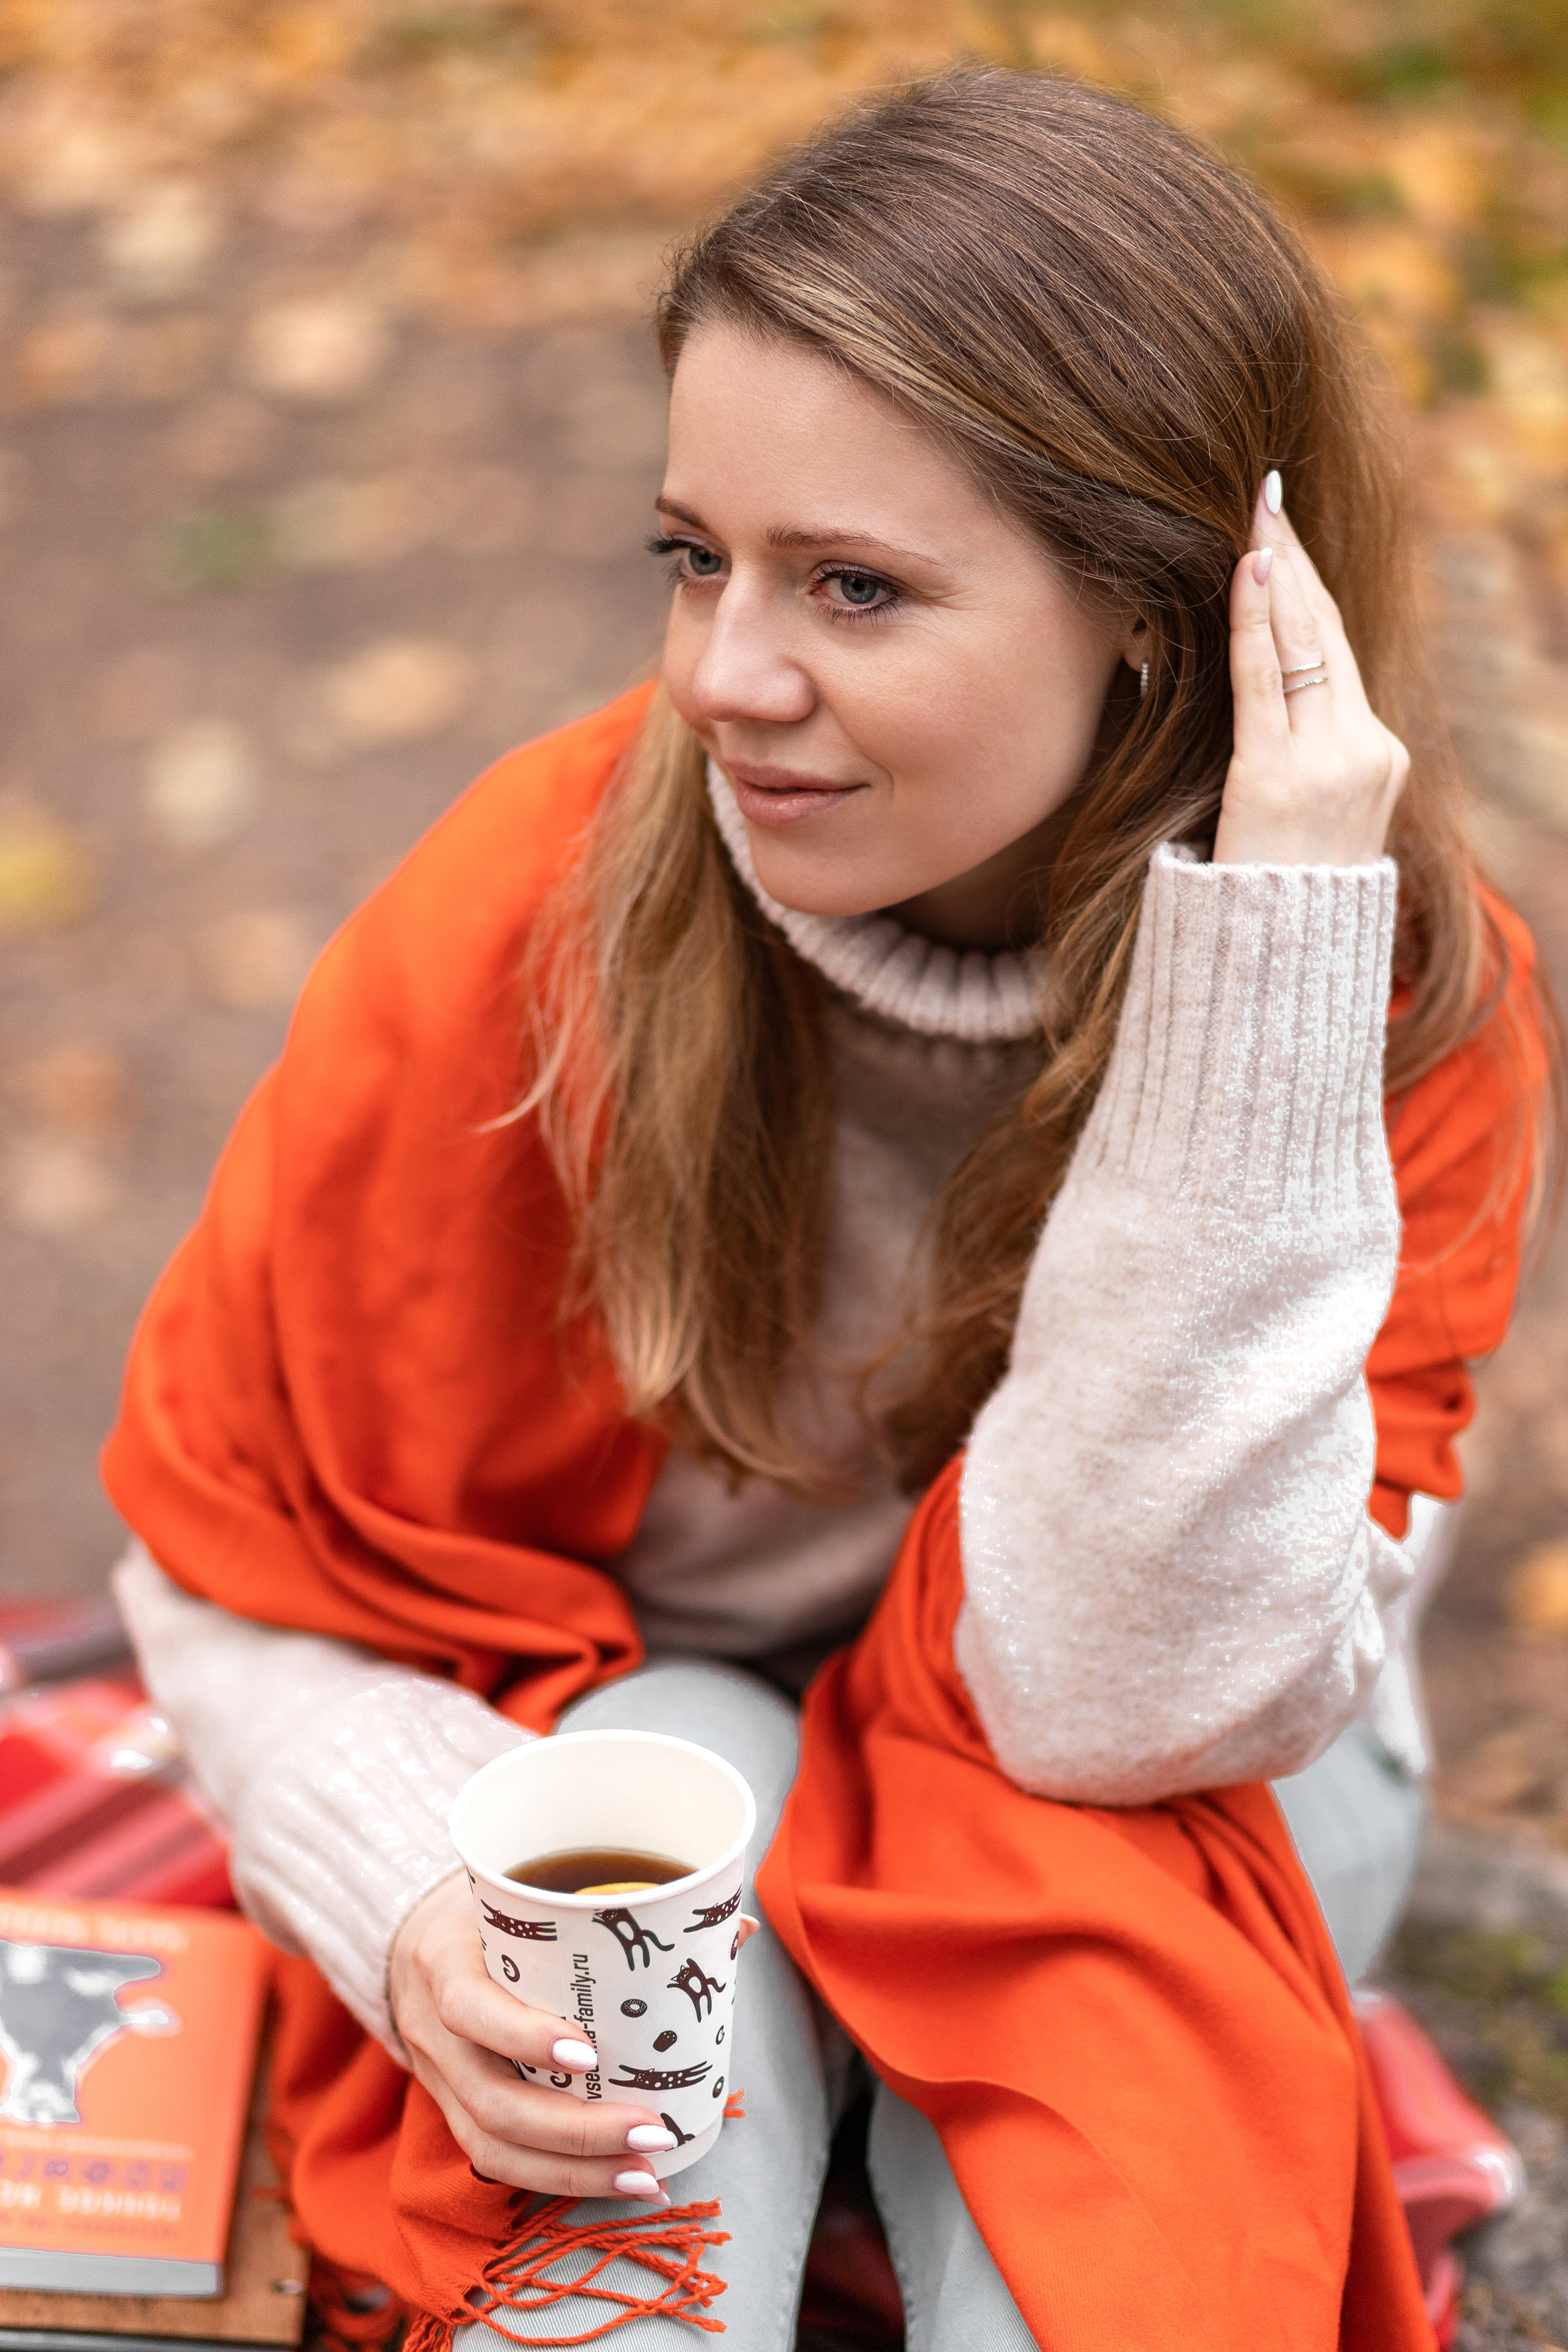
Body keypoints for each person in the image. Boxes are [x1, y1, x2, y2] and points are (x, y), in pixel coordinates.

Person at [103, 69, 1551, 2352]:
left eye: (854, 588)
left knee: (1102, 2060)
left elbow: (1115, 1706)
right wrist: (403, 1897)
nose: (723, 680)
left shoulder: (1389, 1002)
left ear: (1162, 626)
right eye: (698, 556)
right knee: (669, 1835)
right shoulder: (533, 911)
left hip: (1165, 1789)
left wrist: (1257, 983)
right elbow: (226, 1564)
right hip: (632, 1714)